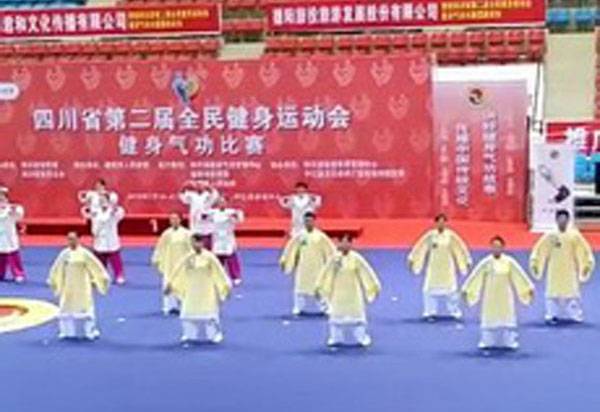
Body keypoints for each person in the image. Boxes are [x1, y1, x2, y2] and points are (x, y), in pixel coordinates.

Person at [462, 236, 534, 350]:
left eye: (498, 247)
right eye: (494, 246)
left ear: (503, 248)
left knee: (507, 318)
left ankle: (509, 341)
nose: (496, 249)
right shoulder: (486, 263)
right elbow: (476, 276)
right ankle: (487, 341)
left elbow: (519, 275)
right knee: (490, 318)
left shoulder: (509, 262)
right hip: (490, 296)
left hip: (505, 296)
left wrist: (528, 288)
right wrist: (467, 289)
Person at [530, 209, 595, 324]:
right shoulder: (550, 236)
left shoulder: (574, 236)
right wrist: (536, 263)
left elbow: (584, 250)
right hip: (554, 268)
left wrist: (585, 265)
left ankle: (575, 315)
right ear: (556, 220)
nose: (562, 222)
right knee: (552, 293)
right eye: (560, 219)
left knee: (571, 293)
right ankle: (551, 315)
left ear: (568, 220)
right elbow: (540, 250)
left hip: (569, 268)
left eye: (565, 219)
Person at [316, 234, 381, 347]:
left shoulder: (356, 258)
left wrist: (373, 286)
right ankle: (335, 338)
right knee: (337, 315)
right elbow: (326, 273)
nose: (345, 245)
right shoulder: (334, 259)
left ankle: (361, 337)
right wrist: (320, 286)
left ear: (351, 244)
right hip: (338, 292)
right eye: (342, 242)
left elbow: (366, 272)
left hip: (353, 292)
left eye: (347, 242)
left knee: (357, 316)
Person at [165, 234, 232, 344]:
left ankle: (214, 334)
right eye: (193, 242)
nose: (195, 245)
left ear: (202, 243)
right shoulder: (187, 257)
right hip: (191, 289)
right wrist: (170, 284)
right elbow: (178, 271)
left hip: (206, 289)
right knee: (188, 314)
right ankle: (189, 334)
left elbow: (219, 272)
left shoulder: (210, 257)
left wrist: (226, 285)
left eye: (198, 242)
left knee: (209, 315)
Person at [407, 214, 472, 321]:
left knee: (451, 290)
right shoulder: (431, 236)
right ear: (436, 223)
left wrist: (466, 260)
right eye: (439, 222)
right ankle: (429, 312)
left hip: (447, 267)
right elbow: (420, 247)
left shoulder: (451, 236)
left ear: (445, 223)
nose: (441, 224)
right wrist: (412, 258)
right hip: (433, 267)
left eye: (443, 222)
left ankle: (454, 312)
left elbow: (460, 248)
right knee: (429, 289)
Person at [47, 232, 110, 340]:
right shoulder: (64, 254)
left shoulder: (85, 253)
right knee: (66, 307)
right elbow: (57, 268)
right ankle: (66, 332)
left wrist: (100, 278)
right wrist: (53, 280)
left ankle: (89, 331)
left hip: (82, 285)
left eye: (73, 239)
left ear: (78, 239)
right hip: (68, 285)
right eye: (69, 239)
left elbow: (95, 266)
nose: (71, 241)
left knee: (85, 307)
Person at [279, 212, 335, 316]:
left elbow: (330, 251)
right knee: (300, 288)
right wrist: (285, 260)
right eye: (306, 221)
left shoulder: (320, 237)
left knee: (320, 288)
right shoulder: (299, 236)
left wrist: (333, 262)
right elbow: (291, 249)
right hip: (303, 267)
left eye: (310, 221)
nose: (308, 223)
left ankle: (326, 308)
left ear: (314, 222)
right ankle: (298, 307)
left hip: (318, 267)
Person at [152, 213, 193, 315]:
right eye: (172, 219)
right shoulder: (166, 234)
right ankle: (169, 306)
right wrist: (156, 258)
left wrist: (192, 261)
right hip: (169, 262)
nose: (174, 221)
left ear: (180, 220)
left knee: (184, 284)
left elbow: (191, 249)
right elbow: (160, 247)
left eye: (176, 218)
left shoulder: (187, 234)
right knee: (168, 283)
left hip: (183, 263)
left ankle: (185, 305)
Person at [86, 196, 126, 285]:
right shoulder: (96, 214)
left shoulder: (113, 212)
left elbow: (121, 214)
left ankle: (119, 275)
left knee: (116, 260)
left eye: (105, 201)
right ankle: (99, 276)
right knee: (99, 263)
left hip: (112, 242)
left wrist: (114, 209)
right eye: (101, 201)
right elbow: (94, 229)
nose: (103, 203)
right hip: (100, 242)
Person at [208, 196, 244, 286]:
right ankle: (218, 277)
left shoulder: (231, 212)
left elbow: (240, 219)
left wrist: (236, 215)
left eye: (223, 202)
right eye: (220, 202)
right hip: (217, 239)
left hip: (228, 239)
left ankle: (236, 277)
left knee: (231, 258)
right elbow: (202, 216)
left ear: (227, 203)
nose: (222, 204)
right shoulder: (213, 212)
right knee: (218, 260)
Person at [179, 181, 220, 249]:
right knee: (194, 247)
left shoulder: (208, 195)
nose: (199, 186)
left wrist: (208, 187)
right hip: (195, 225)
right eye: (197, 185)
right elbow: (182, 197)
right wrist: (184, 186)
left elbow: (215, 195)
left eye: (201, 185)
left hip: (206, 225)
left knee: (207, 248)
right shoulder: (191, 195)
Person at [0, 187, 26, 283]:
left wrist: (13, 212)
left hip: (9, 237)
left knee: (13, 256)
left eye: (2, 197)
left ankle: (18, 274)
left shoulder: (12, 209)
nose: (1, 200)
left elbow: (19, 215)